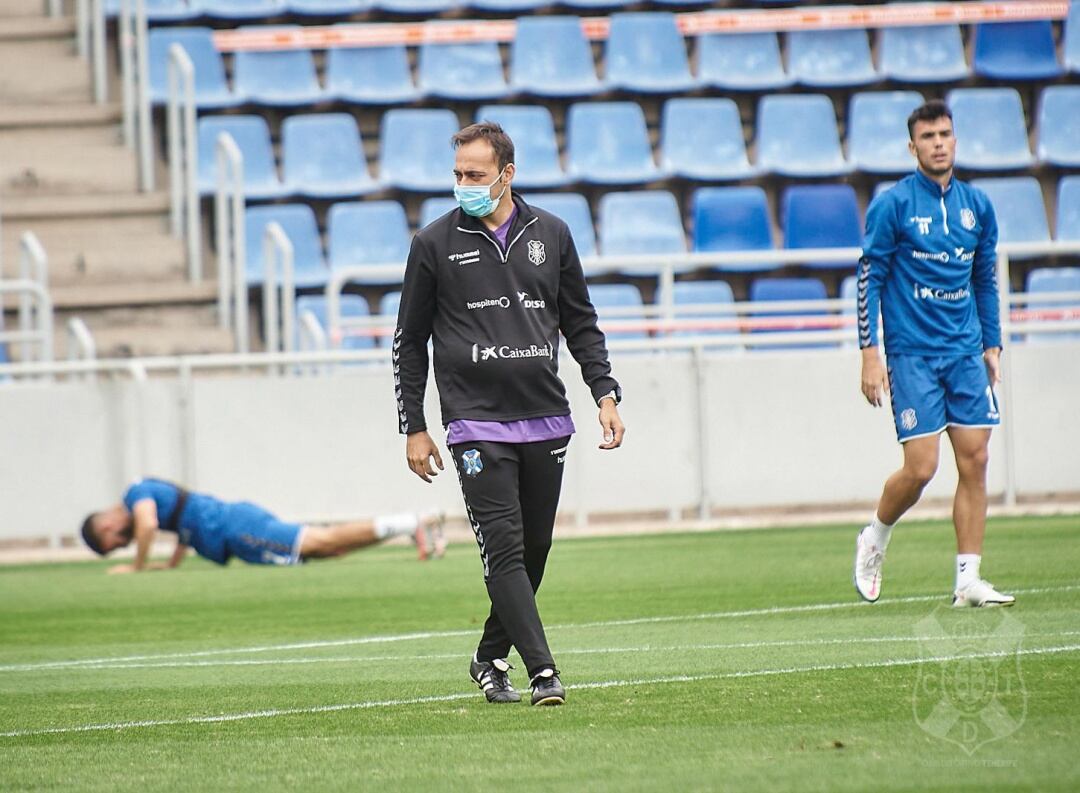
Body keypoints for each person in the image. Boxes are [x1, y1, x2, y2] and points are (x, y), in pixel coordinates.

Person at [393, 122, 625, 706]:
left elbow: (580, 322)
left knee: (535, 549)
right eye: (458, 175)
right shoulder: (433, 244)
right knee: (504, 547)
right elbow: (408, 339)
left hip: (546, 416)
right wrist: (414, 425)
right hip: (474, 422)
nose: (464, 184)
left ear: (507, 174)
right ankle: (544, 671)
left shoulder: (553, 233)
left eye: (475, 174)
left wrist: (605, 393)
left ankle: (488, 657)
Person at [854, 99, 1014, 608]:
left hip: (965, 352)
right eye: (928, 137)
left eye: (945, 134)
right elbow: (869, 277)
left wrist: (992, 343)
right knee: (922, 467)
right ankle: (876, 535)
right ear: (913, 146)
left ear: (955, 139)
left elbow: (983, 279)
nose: (938, 143)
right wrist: (869, 353)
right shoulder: (894, 205)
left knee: (976, 458)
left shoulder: (977, 206)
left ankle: (968, 580)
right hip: (912, 355)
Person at [80, 477, 445, 573]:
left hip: (234, 528)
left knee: (321, 541)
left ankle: (414, 521)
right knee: (328, 548)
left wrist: (138, 567)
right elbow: (182, 521)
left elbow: (146, 527)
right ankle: (410, 526)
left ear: (107, 523)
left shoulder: (135, 493)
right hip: (234, 527)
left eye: (114, 542)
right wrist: (171, 562)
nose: (123, 544)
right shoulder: (148, 494)